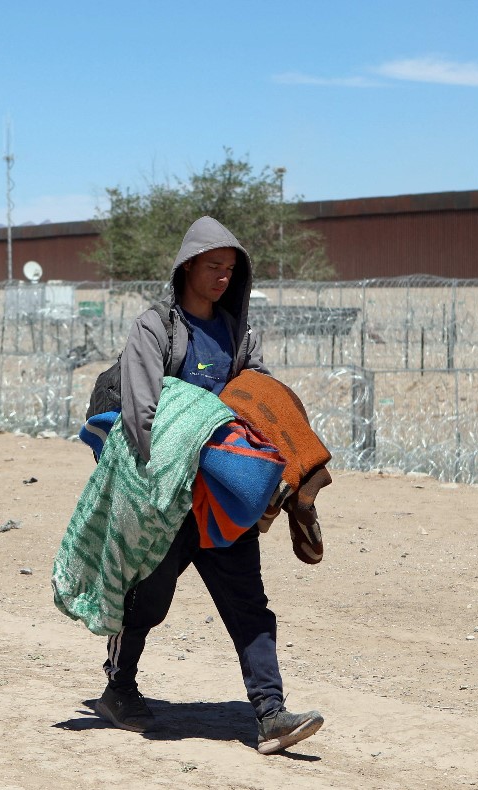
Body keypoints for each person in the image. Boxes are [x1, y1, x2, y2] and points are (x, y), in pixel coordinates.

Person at [93, 216, 324, 755]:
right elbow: (142, 413)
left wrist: (277, 474)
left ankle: (270, 713)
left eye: (230, 269)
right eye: (212, 266)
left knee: (248, 603)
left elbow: (260, 401)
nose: (222, 277)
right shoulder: (156, 330)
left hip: (222, 498)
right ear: (187, 267)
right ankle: (118, 689)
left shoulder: (238, 334)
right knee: (146, 599)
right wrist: (160, 476)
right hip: (169, 497)